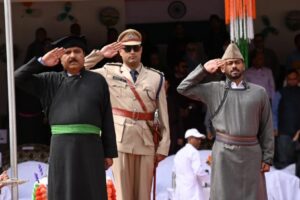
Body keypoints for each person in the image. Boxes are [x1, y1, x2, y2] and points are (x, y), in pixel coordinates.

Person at [15, 35, 118, 200]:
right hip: (62, 147)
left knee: (92, 190)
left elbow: (106, 117)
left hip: (91, 147)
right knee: (64, 190)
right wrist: (41, 61)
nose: (72, 56)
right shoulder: (49, 81)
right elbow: (17, 78)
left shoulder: (98, 81)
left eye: (77, 51)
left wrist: (109, 152)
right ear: (60, 59)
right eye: (67, 52)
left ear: (84, 56)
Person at [177, 43, 274, 200]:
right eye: (229, 63)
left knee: (253, 195)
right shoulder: (214, 89)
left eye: (237, 62)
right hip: (224, 152)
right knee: (223, 195)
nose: (234, 66)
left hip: (252, 152)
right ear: (223, 68)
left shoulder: (259, 92)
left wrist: (267, 156)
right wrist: (203, 70)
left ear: (244, 66)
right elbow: (183, 88)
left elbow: (267, 126)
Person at [84, 28, 170, 200]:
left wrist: (163, 146)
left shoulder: (156, 77)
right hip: (119, 141)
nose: (132, 52)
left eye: (136, 48)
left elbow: (163, 115)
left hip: (146, 140)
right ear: (120, 51)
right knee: (123, 194)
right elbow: (79, 68)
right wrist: (101, 54)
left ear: (141, 50)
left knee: (143, 194)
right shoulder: (109, 71)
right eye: (127, 48)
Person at [272, 69, 300, 168]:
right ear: (286, 80)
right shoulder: (280, 93)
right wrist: (275, 127)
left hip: (298, 132)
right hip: (283, 131)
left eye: (294, 79)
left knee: (296, 162)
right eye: (290, 79)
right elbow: (274, 111)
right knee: (283, 161)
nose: (292, 81)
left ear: (298, 79)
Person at [173, 128, 208, 200]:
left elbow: (175, 173)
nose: (199, 141)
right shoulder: (194, 152)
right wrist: (210, 178)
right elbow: (198, 171)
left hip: (181, 193)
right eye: (197, 139)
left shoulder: (179, 153)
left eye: (200, 139)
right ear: (190, 139)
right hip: (192, 193)